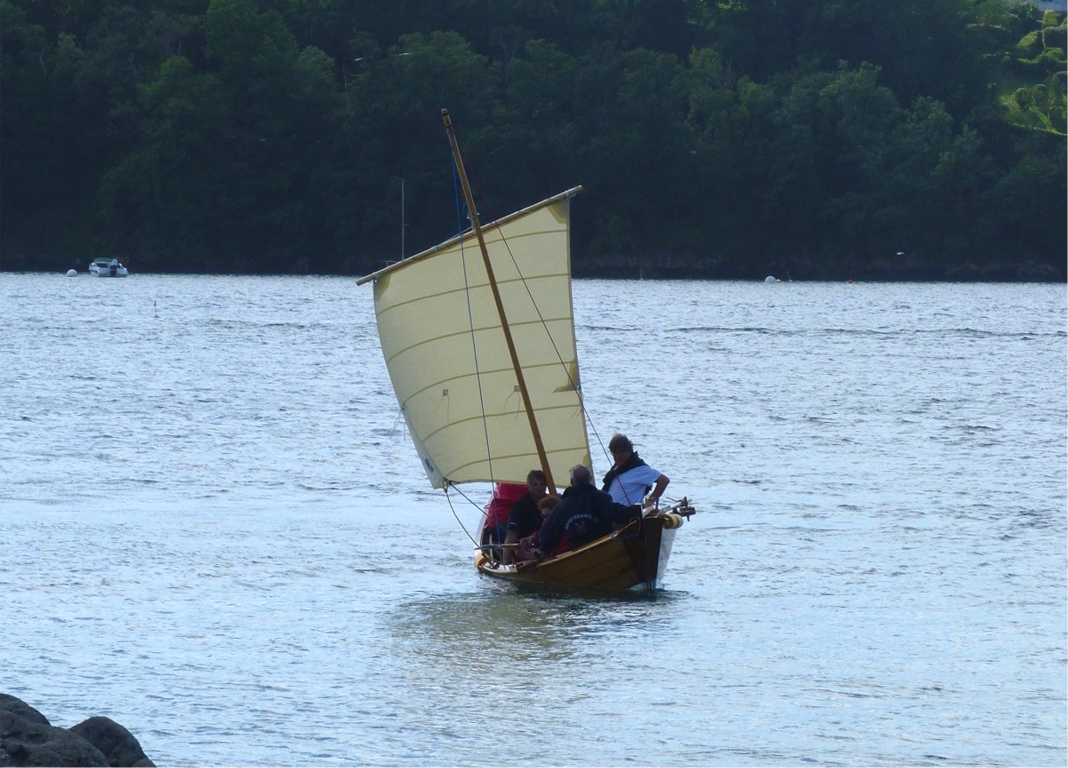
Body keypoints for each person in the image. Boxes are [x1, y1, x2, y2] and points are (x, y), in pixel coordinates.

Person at [538, 465, 640, 558]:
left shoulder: (561, 506)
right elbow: (618, 514)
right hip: (606, 550)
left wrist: (545, 549)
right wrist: (638, 510)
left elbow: (546, 536)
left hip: (578, 556)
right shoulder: (601, 497)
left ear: (572, 481)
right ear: (590, 479)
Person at [601, 433, 669, 508]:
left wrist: (652, 500)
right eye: (615, 453)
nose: (618, 456)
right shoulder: (617, 468)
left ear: (629, 451)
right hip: (608, 513)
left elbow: (664, 480)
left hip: (627, 516)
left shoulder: (639, 468)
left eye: (621, 452)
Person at [501, 470, 548, 565]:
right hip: (526, 549)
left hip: (547, 546)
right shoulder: (520, 506)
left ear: (546, 486)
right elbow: (511, 535)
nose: (539, 488)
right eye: (535, 485)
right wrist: (505, 564)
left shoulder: (551, 503)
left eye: (541, 484)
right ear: (529, 486)